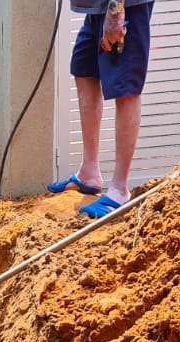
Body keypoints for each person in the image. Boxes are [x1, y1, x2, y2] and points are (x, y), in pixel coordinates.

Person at [47, 0, 153, 219]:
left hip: (123, 7)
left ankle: (119, 190)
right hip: (99, 8)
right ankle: (89, 172)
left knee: (126, 88)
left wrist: (116, 12)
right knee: (83, 67)